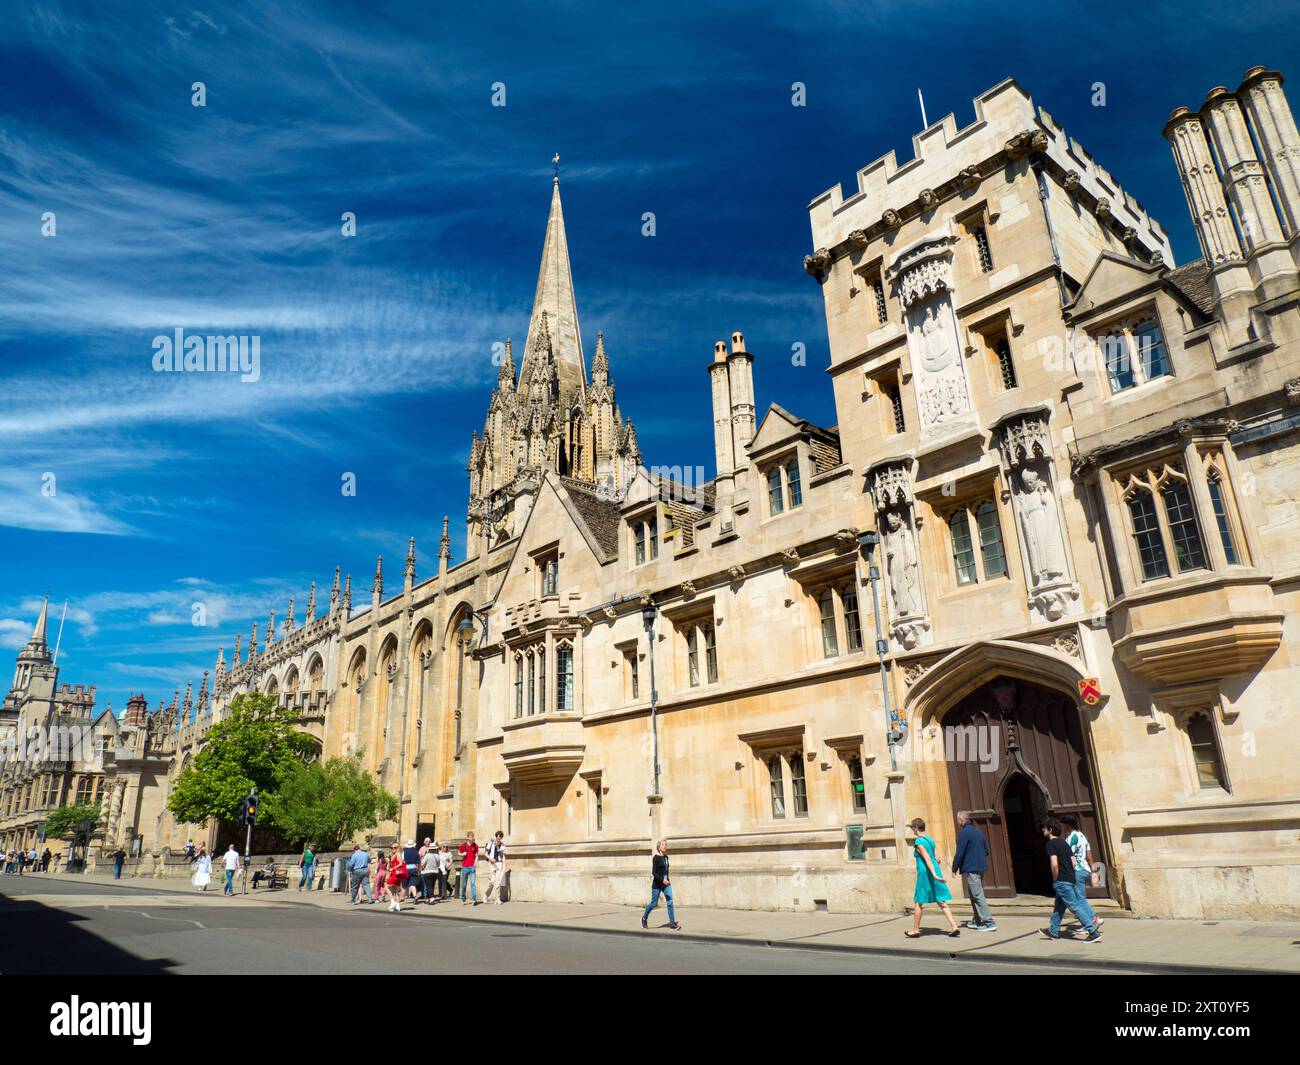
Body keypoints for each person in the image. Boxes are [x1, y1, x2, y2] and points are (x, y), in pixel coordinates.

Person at [1042, 820, 1101, 942]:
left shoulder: (1051, 844)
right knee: (1059, 905)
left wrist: (1055, 879)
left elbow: (1054, 864)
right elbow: (1073, 861)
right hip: (1070, 878)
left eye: (1044, 828)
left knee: (1075, 906)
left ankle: (1093, 931)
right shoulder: (1064, 843)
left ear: (1050, 830)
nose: (1043, 830)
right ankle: (1054, 930)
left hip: (1061, 880)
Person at [905, 818, 960, 938]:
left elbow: (927, 859)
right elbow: (938, 858)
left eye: (912, 828)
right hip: (935, 870)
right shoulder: (930, 839)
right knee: (941, 900)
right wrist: (936, 872)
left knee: (919, 901)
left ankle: (915, 929)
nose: (912, 830)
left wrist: (933, 874)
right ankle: (954, 926)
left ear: (915, 828)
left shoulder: (919, 842)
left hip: (925, 873)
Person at [952, 811, 996, 931]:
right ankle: (977, 920)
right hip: (981, 867)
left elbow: (960, 853)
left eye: (957, 820)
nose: (957, 822)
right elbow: (986, 851)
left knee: (977, 894)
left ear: (961, 820)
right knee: (973, 894)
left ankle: (989, 922)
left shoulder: (964, 833)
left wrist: (954, 868)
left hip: (972, 868)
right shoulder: (978, 832)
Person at [1061, 814, 1102, 934]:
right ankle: (1088, 922)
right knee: (1080, 898)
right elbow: (1089, 856)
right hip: (1085, 870)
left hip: (1077, 871)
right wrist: (1093, 871)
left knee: (1080, 899)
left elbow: (1069, 856)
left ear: (1067, 825)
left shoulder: (1071, 838)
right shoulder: (1083, 836)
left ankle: (1093, 919)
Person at [640, 839, 681, 930]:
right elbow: (654, 872)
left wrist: (667, 880)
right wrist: (662, 880)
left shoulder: (666, 857)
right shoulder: (656, 858)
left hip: (666, 884)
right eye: (663, 845)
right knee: (654, 903)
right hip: (657, 884)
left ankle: (672, 923)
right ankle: (644, 918)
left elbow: (666, 870)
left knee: (670, 902)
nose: (665, 846)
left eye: (666, 844)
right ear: (659, 847)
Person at [484, 831, 507, 905]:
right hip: (492, 863)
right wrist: (490, 859)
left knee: (498, 882)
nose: (498, 838)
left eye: (500, 837)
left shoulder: (502, 845)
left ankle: (498, 899)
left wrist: (504, 865)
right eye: (497, 836)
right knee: (492, 882)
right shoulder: (490, 843)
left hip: (499, 863)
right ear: (496, 836)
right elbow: (485, 853)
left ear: (501, 838)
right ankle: (486, 896)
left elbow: (503, 856)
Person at [385, 843, 408, 912]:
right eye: (392, 848)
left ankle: (393, 901)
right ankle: (397, 905)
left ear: (397, 848)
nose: (393, 849)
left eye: (395, 847)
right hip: (394, 873)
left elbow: (401, 863)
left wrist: (393, 868)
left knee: (386, 887)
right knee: (395, 889)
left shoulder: (398, 854)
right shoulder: (393, 855)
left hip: (396, 873)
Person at [458, 831, 480, 905]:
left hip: (472, 867)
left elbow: (477, 856)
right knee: (464, 884)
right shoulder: (463, 845)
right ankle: (463, 898)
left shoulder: (475, 846)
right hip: (465, 867)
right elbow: (458, 852)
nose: (472, 838)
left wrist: (474, 865)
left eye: (473, 836)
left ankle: (474, 899)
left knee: (473, 883)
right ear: (468, 837)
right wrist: (462, 854)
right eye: (471, 836)